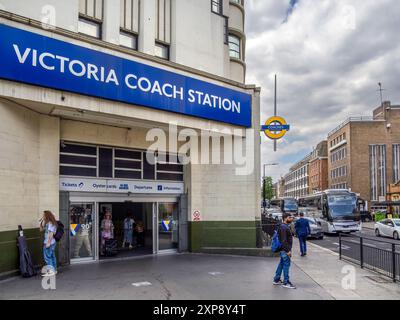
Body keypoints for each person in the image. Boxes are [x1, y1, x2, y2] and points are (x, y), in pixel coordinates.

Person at [273, 212, 296, 289]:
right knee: (286, 265)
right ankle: (286, 282)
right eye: (290, 217)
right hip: (285, 250)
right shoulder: (283, 227)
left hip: (283, 249)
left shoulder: (284, 226)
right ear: (286, 218)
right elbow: (283, 241)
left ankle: (276, 279)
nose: (292, 219)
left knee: (282, 264)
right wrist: (288, 251)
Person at [39, 210, 58, 276]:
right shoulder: (47, 223)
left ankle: (51, 271)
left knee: (47, 257)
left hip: (49, 242)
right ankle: (54, 270)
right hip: (51, 242)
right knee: (52, 256)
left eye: (43, 215)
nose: (43, 216)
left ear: (47, 215)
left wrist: (48, 243)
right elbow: (41, 230)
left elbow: (51, 233)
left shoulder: (51, 223)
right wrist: (41, 222)